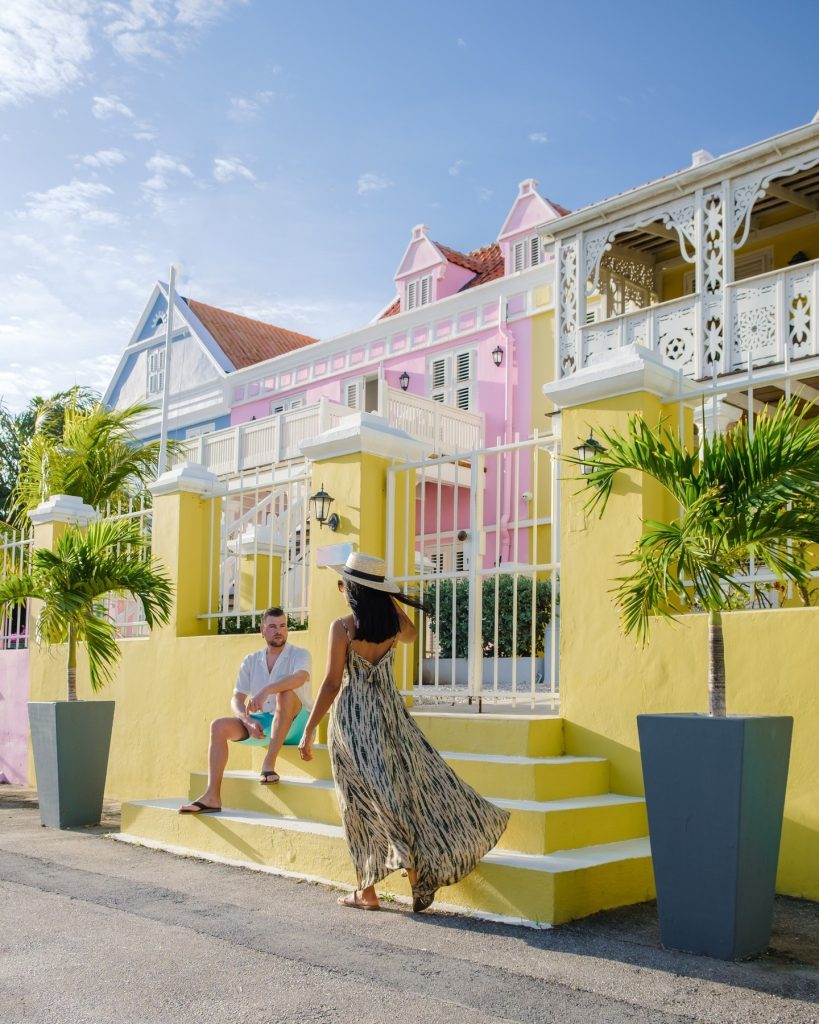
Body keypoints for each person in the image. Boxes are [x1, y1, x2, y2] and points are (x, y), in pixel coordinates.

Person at [297, 552, 509, 912]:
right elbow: (411, 633)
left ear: (350, 589)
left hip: (353, 719)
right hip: (391, 715)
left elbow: (332, 683)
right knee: (406, 788)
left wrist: (308, 730)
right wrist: (388, 600)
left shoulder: (343, 627)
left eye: (342, 584)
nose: (340, 589)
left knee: (360, 803)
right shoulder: (395, 627)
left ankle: (376, 886)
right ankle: (400, 881)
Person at [179, 607, 311, 813]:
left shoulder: (299, 654)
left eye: (283, 626)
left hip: (297, 723)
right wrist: (247, 720)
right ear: (262, 630)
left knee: (286, 693)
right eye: (273, 626)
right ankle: (212, 795)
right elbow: (237, 698)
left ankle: (269, 763)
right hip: (265, 723)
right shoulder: (251, 660)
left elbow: (299, 678)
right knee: (218, 726)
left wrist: (267, 690)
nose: (279, 631)